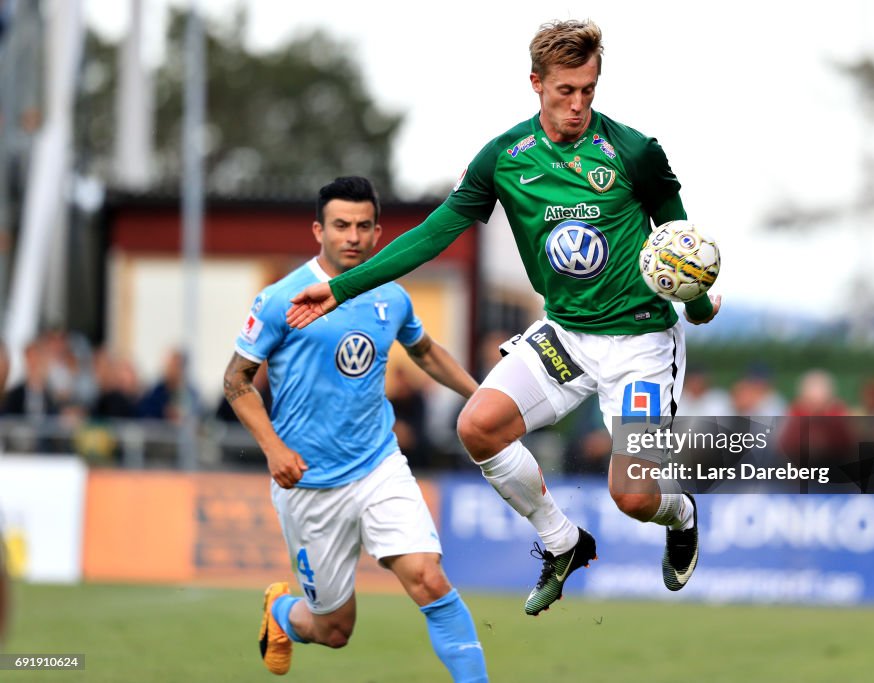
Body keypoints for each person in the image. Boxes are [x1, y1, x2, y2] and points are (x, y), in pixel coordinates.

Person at [286, 20, 720, 616]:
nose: (577, 104)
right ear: (536, 83)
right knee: (477, 426)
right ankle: (562, 541)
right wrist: (342, 286)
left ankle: (683, 511)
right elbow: (436, 233)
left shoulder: (635, 153)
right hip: (567, 334)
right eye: (565, 90)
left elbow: (679, 247)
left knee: (634, 496)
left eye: (588, 90)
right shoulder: (504, 158)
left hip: (640, 342)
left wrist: (696, 306)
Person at [224, 177, 487, 680]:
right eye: (341, 225)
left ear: (378, 232)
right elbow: (235, 380)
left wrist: (483, 399)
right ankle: (281, 613)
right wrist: (273, 448)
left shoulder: (390, 296)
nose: (352, 236)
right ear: (319, 230)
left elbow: (425, 351)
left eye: (363, 226)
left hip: (377, 466)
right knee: (334, 631)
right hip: (309, 483)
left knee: (429, 579)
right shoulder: (282, 299)